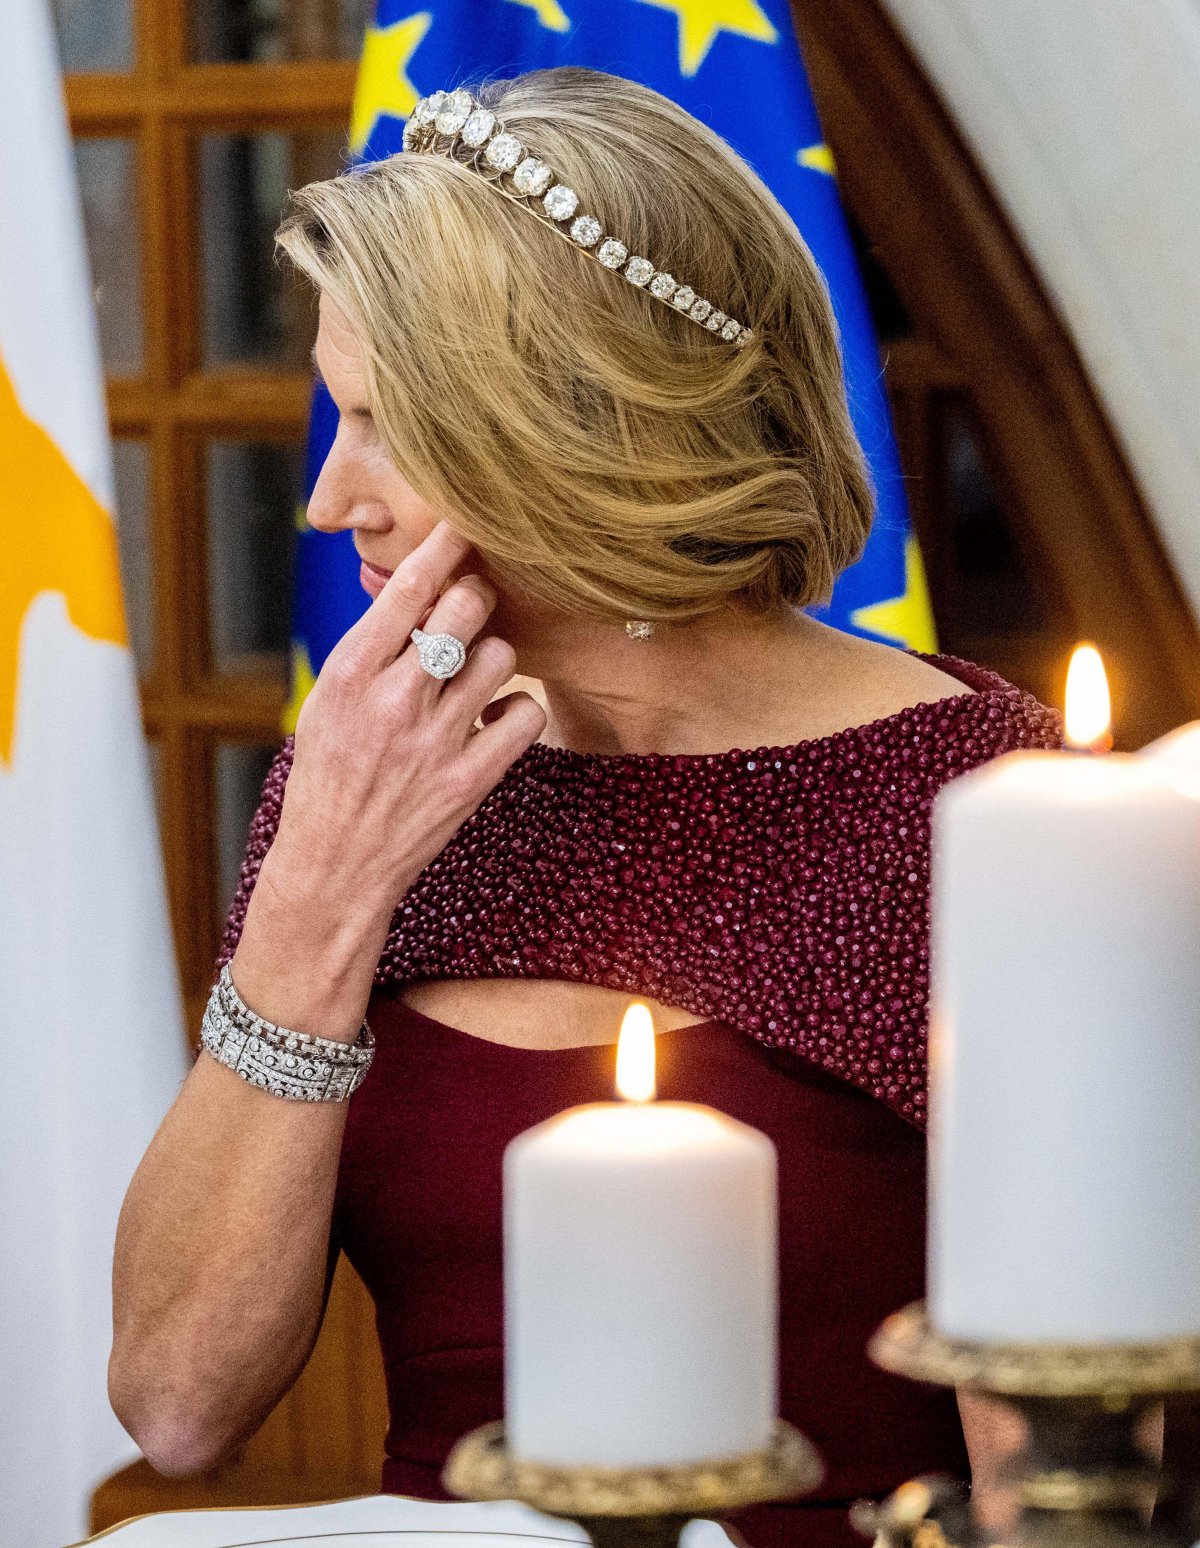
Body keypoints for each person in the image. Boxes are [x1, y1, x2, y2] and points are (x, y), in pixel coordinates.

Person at [109, 66, 1061, 1548]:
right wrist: (315, 903)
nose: (324, 499)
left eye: (377, 423)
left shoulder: (993, 815)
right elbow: (177, 1401)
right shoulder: (361, 775)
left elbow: (1056, 1462)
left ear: (564, 431)